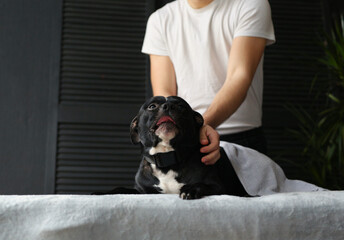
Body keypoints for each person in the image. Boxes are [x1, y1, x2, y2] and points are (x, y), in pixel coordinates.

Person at [141, 0, 275, 165]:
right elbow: (164, 93)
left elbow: (239, 76)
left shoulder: (251, 4)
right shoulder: (160, 19)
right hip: (183, 137)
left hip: (241, 138)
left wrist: (200, 125)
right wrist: (185, 130)